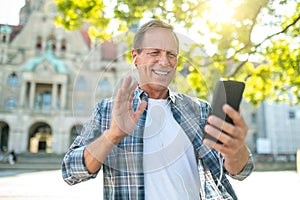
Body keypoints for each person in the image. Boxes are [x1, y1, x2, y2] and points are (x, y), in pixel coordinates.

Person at [62, 19, 253, 199]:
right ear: (135, 57)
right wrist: (112, 136)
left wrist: (235, 149)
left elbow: (241, 171)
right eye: (155, 53)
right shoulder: (106, 110)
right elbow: (70, 171)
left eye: (171, 54)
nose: (165, 61)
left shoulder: (200, 110)